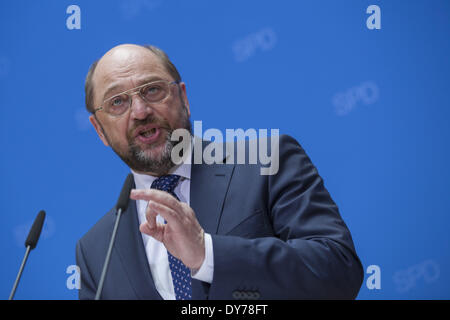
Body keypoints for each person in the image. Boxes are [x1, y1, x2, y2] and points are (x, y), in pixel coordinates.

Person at [76, 43, 364, 300]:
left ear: (183, 98)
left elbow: (338, 271)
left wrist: (208, 253)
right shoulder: (95, 251)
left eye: (152, 90)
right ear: (99, 129)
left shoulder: (267, 162)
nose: (140, 111)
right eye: (117, 102)